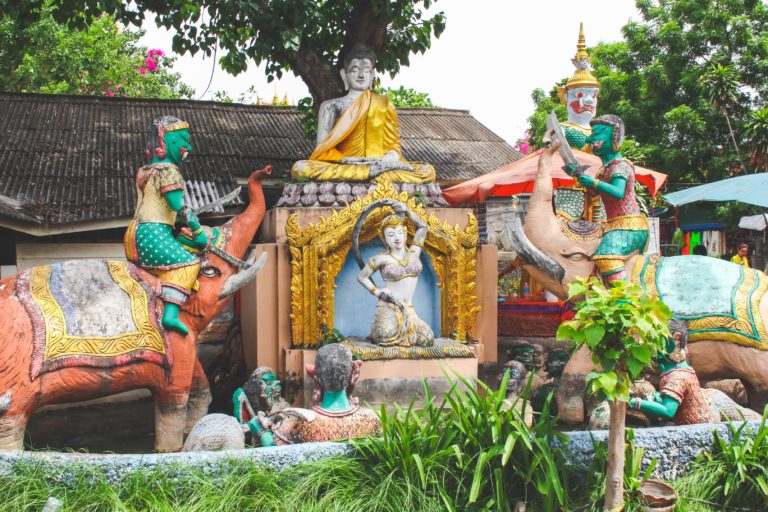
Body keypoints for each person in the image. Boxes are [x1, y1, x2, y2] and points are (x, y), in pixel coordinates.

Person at [291, 44, 435, 183]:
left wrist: (385, 161)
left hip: (380, 165)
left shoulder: (384, 104)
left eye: (366, 70)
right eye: (354, 70)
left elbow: (394, 148)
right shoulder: (330, 106)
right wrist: (350, 161)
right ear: (344, 75)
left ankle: (369, 174)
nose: (360, 75)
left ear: (372, 75)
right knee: (301, 168)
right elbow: (322, 149)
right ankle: (369, 175)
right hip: (345, 164)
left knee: (427, 171)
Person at [124, 116, 209, 334]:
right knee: (190, 264)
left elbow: (162, 206)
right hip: (153, 233)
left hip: (135, 232)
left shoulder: (144, 170)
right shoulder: (168, 170)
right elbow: (178, 206)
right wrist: (198, 231)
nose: (187, 146)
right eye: (183, 139)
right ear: (167, 141)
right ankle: (170, 314)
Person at [246, 344, 381, 446]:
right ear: (353, 375)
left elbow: (275, 452)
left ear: (315, 378)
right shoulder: (372, 419)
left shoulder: (299, 422)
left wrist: (259, 431)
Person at [568, 114, 648, 283]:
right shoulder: (603, 170)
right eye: (592, 134)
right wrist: (580, 178)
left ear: (614, 136)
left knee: (605, 258)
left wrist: (594, 182)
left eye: (597, 134)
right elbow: (594, 194)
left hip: (630, 227)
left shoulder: (621, 165)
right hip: (612, 226)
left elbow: (618, 192)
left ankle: (623, 301)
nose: (590, 138)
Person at [356, 202, 435, 347]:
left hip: (409, 310)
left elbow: (423, 227)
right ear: (384, 238)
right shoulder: (381, 259)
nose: (397, 238)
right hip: (389, 307)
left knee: (427, 339)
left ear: (405, 234)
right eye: (391, 235)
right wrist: (377, 292)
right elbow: (362, 276)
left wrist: (408, 210)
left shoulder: (414, 252)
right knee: (385, 336)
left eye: (400, 232)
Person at [628, 319, 716, 425]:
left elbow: (668, 411)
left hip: (696, 429)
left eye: (656, 339)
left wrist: (634, 402)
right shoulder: (678, 372)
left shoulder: (678, 376)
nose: (651, 345)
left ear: (676, 339)